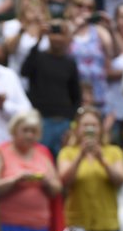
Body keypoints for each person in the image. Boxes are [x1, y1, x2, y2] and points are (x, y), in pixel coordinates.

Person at [57, 106, 123, 231]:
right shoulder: (68, 152)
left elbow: (120, 180)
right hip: (76, 223)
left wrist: (101, 159)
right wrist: (80, 155)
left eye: (94, 125)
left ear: (101, 128)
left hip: (106, 224)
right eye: (85, 125)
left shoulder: (113, 152)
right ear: (77, 128)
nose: (90, 129)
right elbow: (64, 181)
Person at [0, 110, 62, 231]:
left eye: (33, 131)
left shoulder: (43, 152)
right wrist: (14, 180)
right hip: (9, 224)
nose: (29, 135)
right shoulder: (1, 152)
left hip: (39, 226)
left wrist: (46, 182)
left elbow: (57, 188)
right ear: (14, 130)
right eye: (25, 130)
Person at [21, 20, 81, 158]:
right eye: (54, 33)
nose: (57, 38)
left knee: (63, 159)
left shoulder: (70, 62)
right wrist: (38, 40)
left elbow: (76, 94)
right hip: (41, 119)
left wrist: (72, 119)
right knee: (40, 157)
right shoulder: (38, 56)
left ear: (67, 38)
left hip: (64, 120)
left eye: (61, 34)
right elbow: (25, 71)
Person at [63, 0, 113, 110]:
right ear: (70, 7)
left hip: (97, 91)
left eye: (89, 7)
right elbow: (59, 51)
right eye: (79, 6)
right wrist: (76, 27)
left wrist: (112, 28)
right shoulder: (64, 27)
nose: (84, 10)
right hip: (71, 91)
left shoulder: (99, 31)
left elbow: (112, 53)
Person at [2, 0, 50, 89]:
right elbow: (9, 50)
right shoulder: (11, 25)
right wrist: (24, 27)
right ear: (21, 2)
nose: (31, 4)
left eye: (36, 0)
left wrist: (42, 23)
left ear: (42, 4)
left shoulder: (48, 26)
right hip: (17, 82)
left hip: (43, 84)